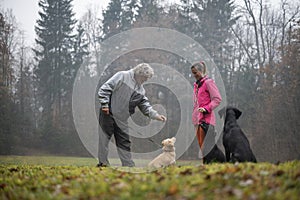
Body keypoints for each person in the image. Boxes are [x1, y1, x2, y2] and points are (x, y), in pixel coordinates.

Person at [97, 63, 166, 167]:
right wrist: (105, 105)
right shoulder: (122, 76)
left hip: (122, 118)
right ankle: (103, 163)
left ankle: (128, 164)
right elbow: (105, 88)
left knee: (124, 142)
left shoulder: (141, 90)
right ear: (139, 74)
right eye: (145, 78)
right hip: (108, 112)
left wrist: (156, 115)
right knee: (104, 139)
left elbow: (144, 105)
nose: (146, 80)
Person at [191, 61, 222, 161]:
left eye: (195, 73)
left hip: (206, 120)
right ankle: (205, 167)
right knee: (202, 148)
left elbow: (217, 99)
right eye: (193, 73)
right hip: (197, 120)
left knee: (207, 148)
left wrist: (206, 108)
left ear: (201, 71)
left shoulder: (208, 82)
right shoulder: (196, 85)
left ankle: (214, 165)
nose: (194, 75)